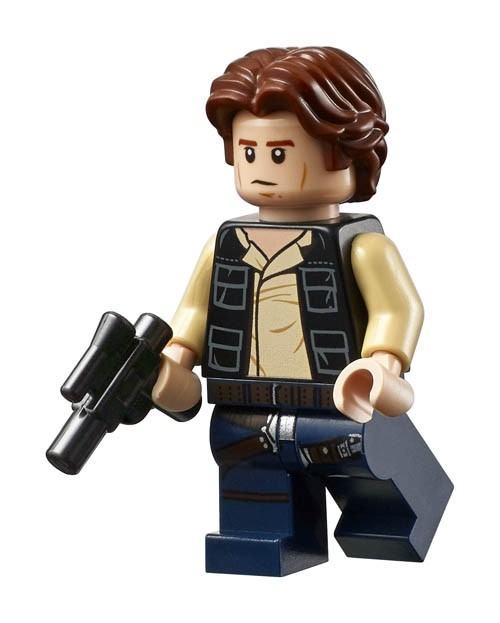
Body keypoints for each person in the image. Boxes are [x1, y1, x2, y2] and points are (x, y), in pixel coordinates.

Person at [152, 47, 453, 576]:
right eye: (248, 153)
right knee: (253, 483)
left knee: (374, 476)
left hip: (337, 404)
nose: (262, 170)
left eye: (279, 154)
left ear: (348, 154)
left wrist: (381, 364)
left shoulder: (362, 247)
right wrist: (174, 361)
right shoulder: (224, 246)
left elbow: (399, 309)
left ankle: (386, 522)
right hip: (242, 408)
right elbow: (194, 313)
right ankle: (263, 539)